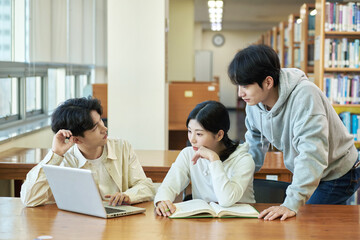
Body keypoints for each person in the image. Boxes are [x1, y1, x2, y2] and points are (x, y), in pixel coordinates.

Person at [228, 44, 360, 221]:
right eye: (238, 85)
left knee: (307, 222)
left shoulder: (305, 96)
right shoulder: (254, 103)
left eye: (245, 86)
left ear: (268, 82)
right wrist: (239, 177)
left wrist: (291, 203)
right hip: (312, 169)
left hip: (337, 171)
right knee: (314, 222)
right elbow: (254, 144)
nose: (240, 93)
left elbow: (312, 154)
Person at [20, 97, 155, 207]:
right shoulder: (63, 159)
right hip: (78, 227)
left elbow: (146, 186)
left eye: (101, 120)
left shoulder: (121, 147)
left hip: (119, 224)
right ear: (76, 139)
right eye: (96, 128)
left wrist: (128, 196)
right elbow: (29, 199)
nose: (105, 128)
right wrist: (55, 154)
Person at [154, 100, 255, 217]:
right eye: (189, 131)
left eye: (199, 134)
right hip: (203, 221)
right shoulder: (188, 154)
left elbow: (226, 200)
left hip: (241, 224)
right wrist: (162, 201)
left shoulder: (243, 160)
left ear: (219, 135)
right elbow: (169, 186)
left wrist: (214, 159)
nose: (192, 140)